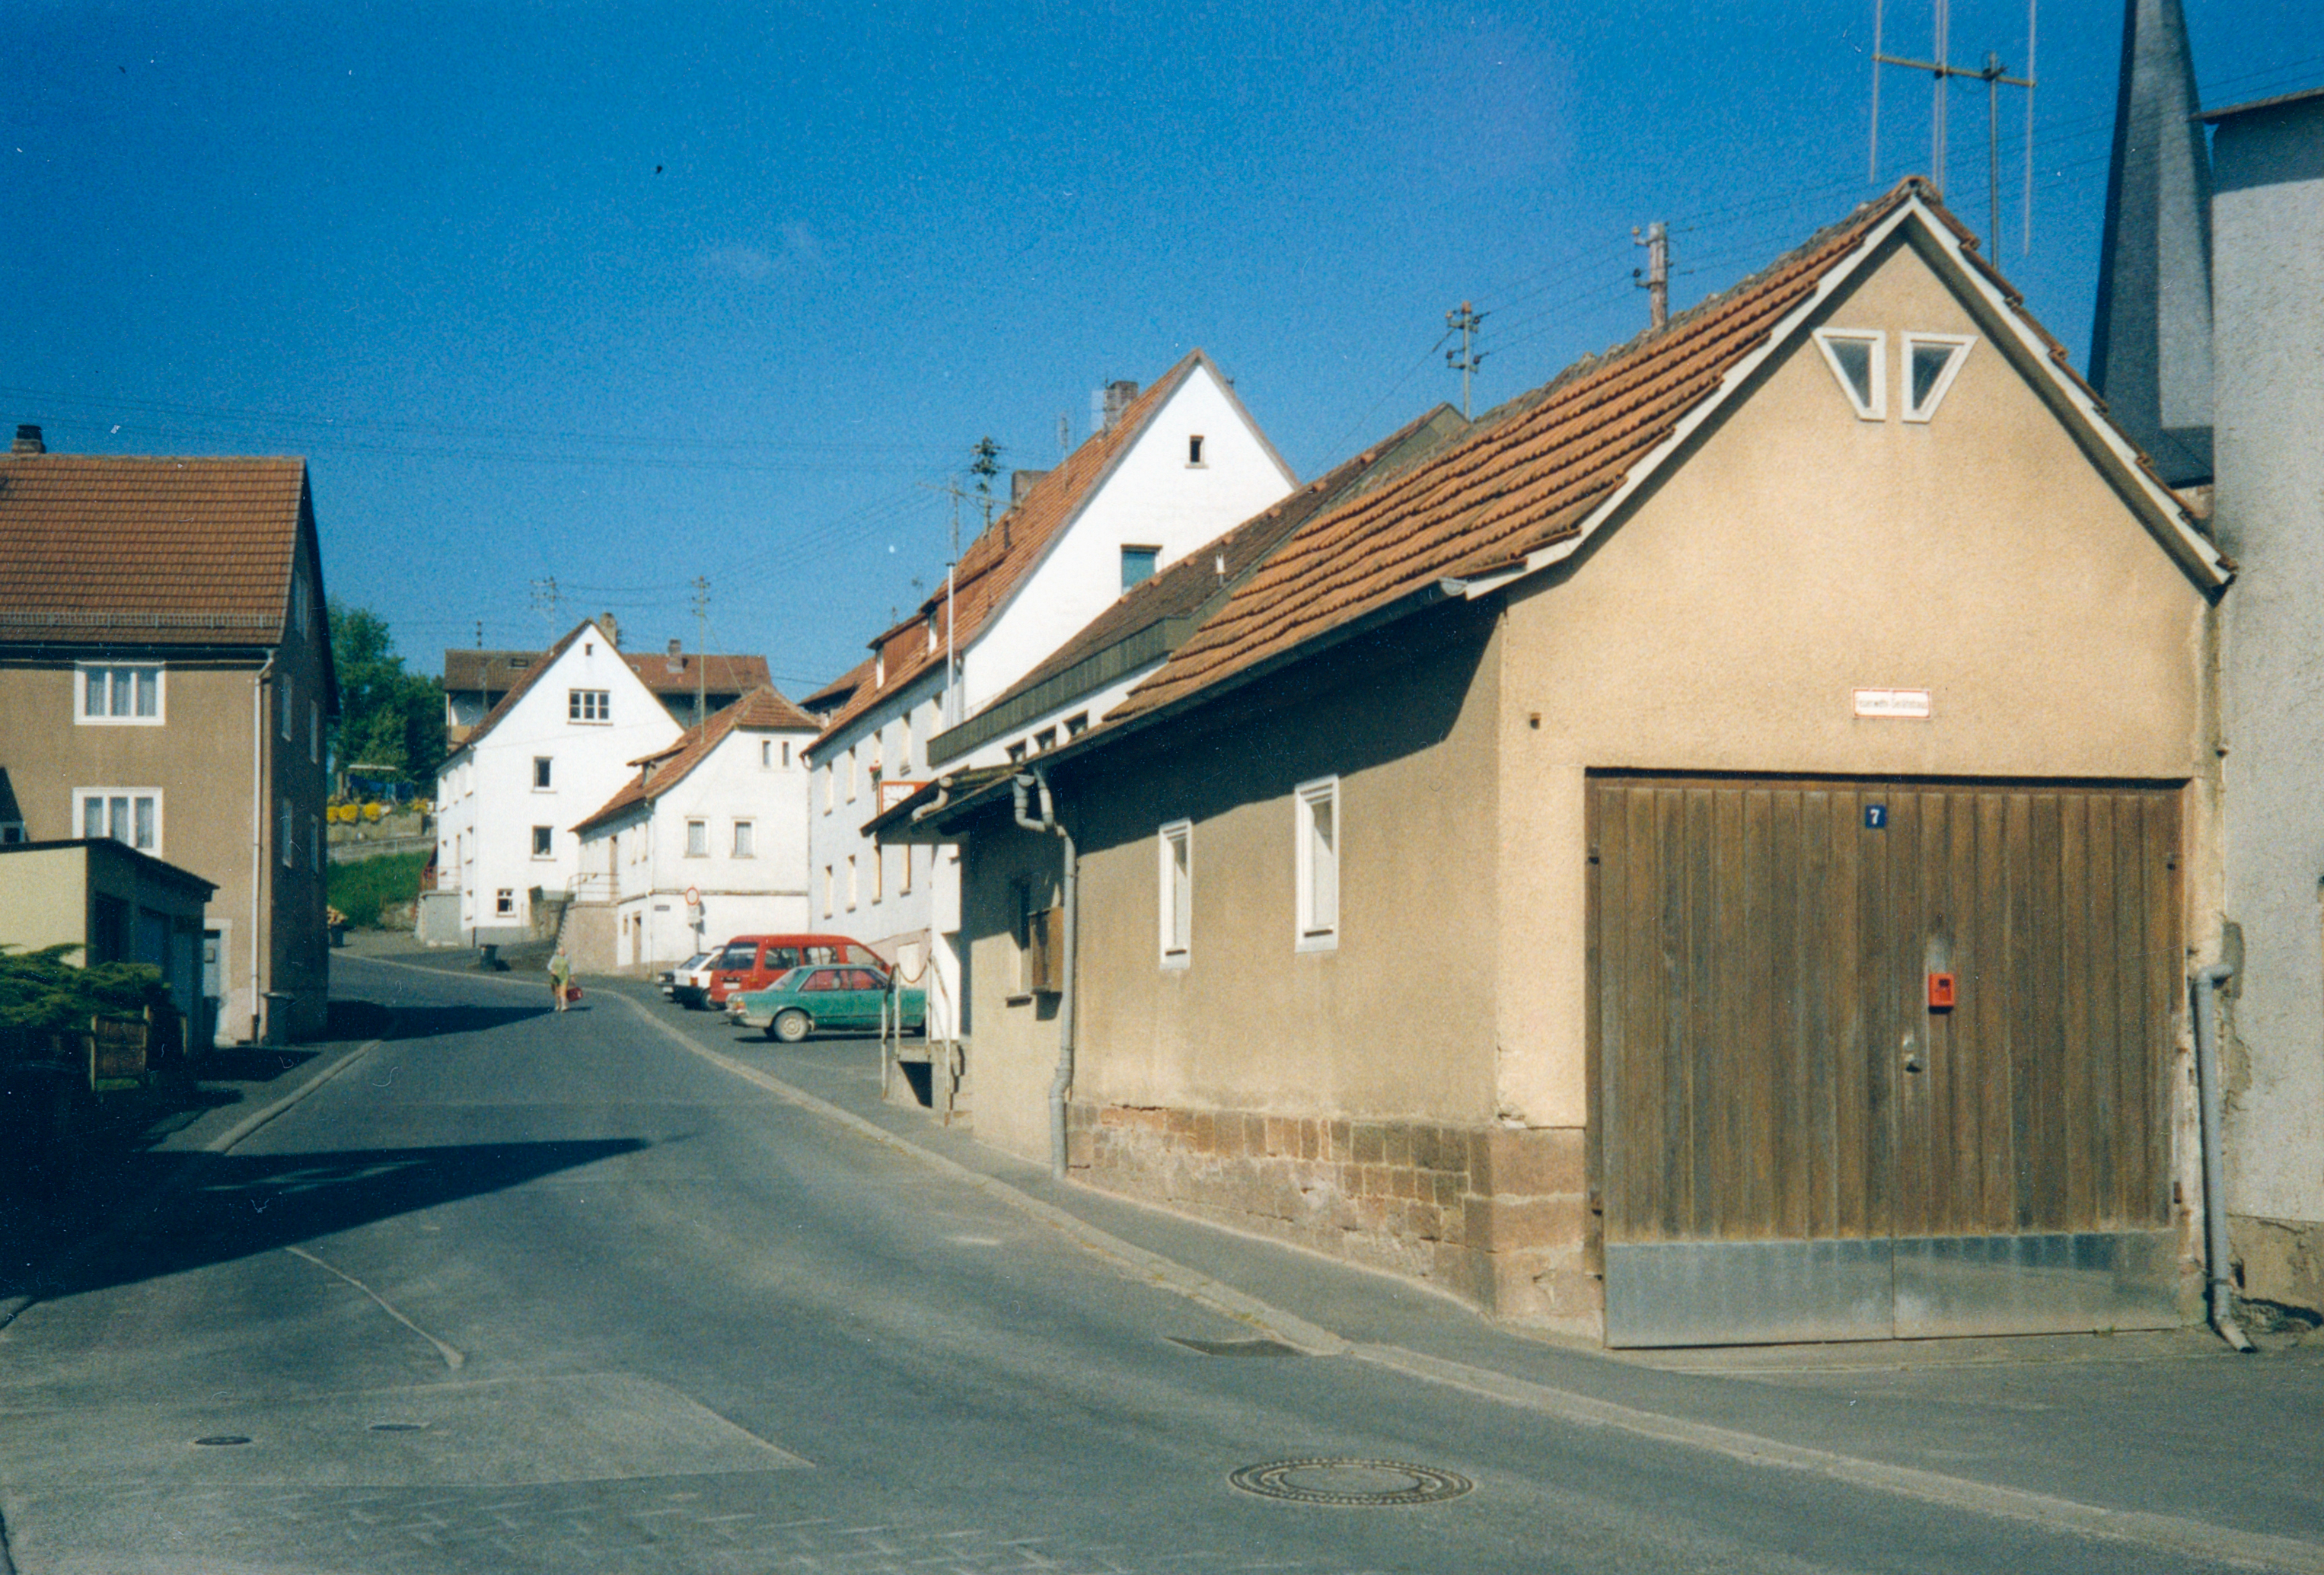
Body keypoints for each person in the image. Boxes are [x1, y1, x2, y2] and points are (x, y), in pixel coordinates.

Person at [547, 945, 573, 1012]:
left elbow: (570, 967)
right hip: (556, 978)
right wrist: (552, 970)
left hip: (564, 977)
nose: (563, 952)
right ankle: (558, 1004)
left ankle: (564, 1005)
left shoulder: (567, 958)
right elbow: (549, 966)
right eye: (561, 951)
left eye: (563, 951)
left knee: (563, 992)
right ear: (558, 952)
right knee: (557, 992)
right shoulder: (555, 958)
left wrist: (572, 976)